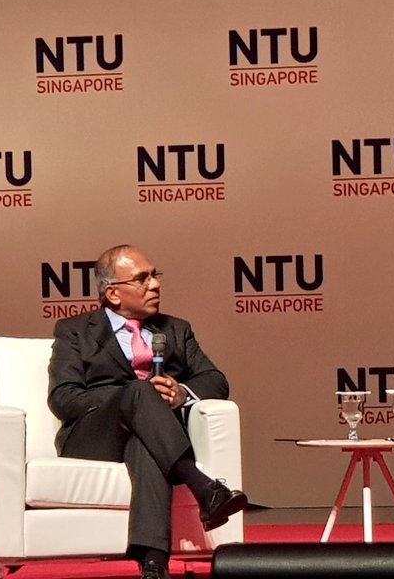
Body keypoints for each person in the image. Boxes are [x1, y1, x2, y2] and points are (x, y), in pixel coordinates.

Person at [48, 245, 248, 579]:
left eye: (155, 275)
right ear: (113, 293)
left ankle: (154, 564)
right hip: (93, 436)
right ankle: (203, 487)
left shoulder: (175, 330)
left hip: (154, 437)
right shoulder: (75, 331)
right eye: (142, 279)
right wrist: (128, 400)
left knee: (144, 444)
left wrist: (181, 393)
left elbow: (215, 380)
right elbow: (63, 398)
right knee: (140, 390)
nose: (155, 285)